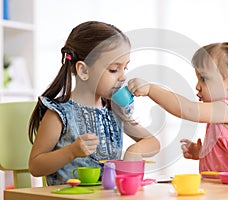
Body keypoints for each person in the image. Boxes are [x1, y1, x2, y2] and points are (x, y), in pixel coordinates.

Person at [28, 21, 160, 185]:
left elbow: (153, 142)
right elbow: (35, 166)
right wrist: (71, 151)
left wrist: (134, 151)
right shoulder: (60, 115)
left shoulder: (115, 110)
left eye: (124, 68)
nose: (123, 76)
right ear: (83, 70)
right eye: (113, 69)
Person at [128, 41, 228, 173]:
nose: (197, 86)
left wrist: (150, 89)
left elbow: (188, 109)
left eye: (203, 78)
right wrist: (203, 152)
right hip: (219, 190)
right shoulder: (222, 111)